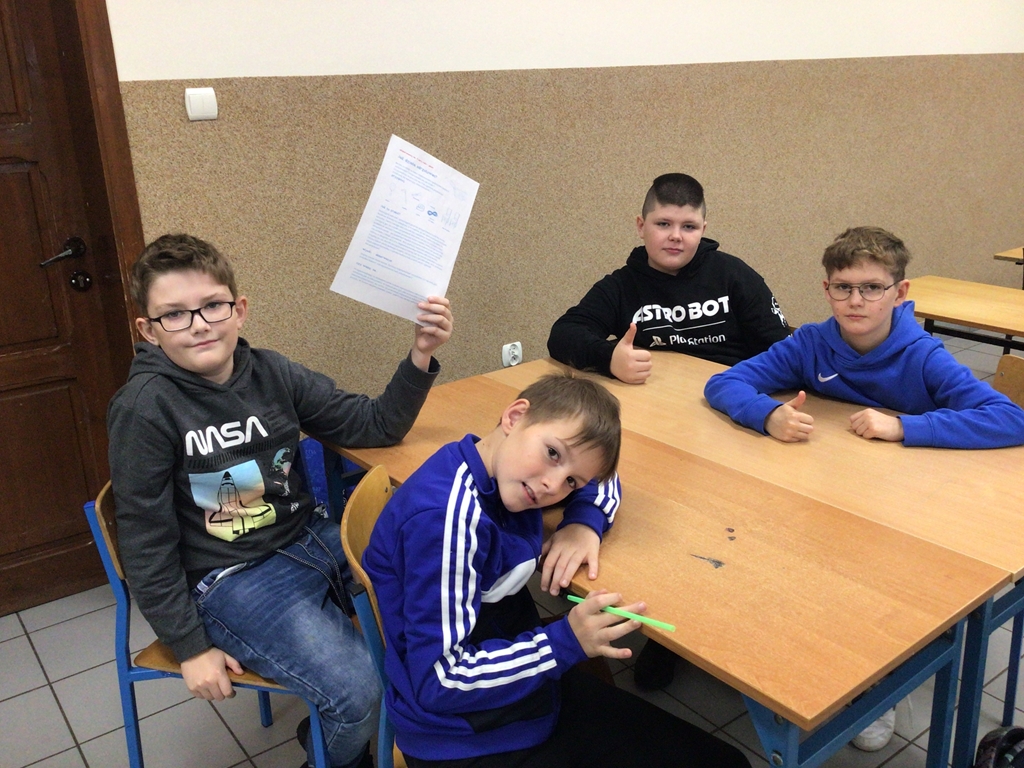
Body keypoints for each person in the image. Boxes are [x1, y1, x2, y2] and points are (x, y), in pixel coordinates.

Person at [107, 233, 454, 768]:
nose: (199, 324)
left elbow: (374, 424)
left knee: (436, 606)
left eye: (213, 305)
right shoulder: (144, 408)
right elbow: (144, 542)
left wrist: (421, 353)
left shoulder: (272, 372)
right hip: (230, 578)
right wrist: (189, 646)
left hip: (308, 539)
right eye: (174, 314)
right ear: (148, 331)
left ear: (239, 310)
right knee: (359, 693)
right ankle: (332, 756)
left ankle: (409, 732)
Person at [704, 226, 1024, 751]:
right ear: (827, 289)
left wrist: (905, 427)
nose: (856, 300)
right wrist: (766, 414)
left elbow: (1010, 418)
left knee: (874, 582)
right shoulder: (811, 343)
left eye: (872, 288)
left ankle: (879, 678)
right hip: (833, 492)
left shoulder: (922, 355)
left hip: (907, 509)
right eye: (843, 287)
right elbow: (724, 382)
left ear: (899, 293)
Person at [363, 373, 750, 768]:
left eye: (570, 482)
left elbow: (605, 479)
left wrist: (584, 521)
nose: (552, 486)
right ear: (514, 416)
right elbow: (439, 681)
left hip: (517, 688)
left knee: (723, 759)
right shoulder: (448, 523)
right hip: (465, 734)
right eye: (552, 453)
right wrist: (563, 642)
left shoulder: (499, 469)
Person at [547, 172, 789, 385]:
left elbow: (784, 353)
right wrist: (609, 359)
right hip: (653, 400)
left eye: (689, 227)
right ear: (641, 226)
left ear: (703, 230)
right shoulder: (622, 286)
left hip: (730, 393)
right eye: (663, 224)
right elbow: (564, 334)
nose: (676, 236)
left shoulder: (734, 276)